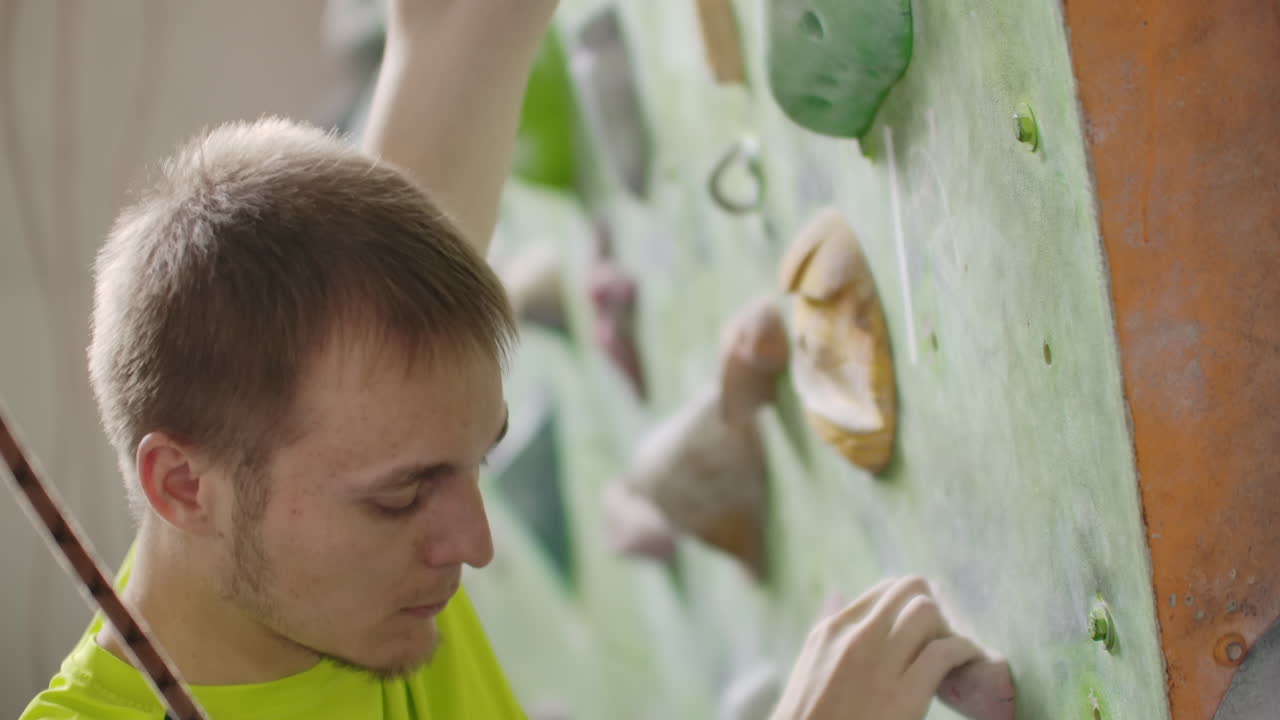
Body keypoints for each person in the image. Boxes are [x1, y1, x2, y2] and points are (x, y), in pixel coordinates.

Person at [19, 1, 988, 718]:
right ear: (183, 484)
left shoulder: (309, 485)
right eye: (401, 496)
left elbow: (462, 20)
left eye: (473, 463)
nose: (472, 543)